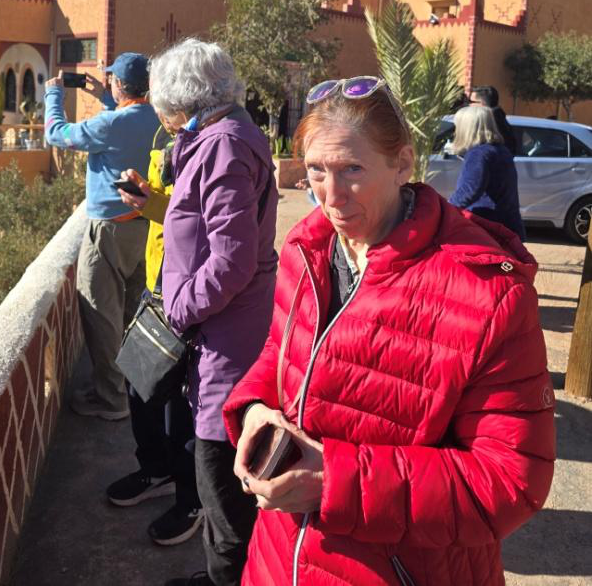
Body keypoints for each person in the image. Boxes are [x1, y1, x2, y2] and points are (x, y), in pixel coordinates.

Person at [222, 75, 554, 586]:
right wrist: (253, 409)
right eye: (315, 171)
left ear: (403, 162)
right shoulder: (306, 248)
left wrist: (333, 481)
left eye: (352, 169)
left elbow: (511, 481)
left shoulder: (489, 292)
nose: (331, 198)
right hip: (277, 559)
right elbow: (280, 352)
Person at [122, 38, 278, 586]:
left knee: (220, 481)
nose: (163, 122)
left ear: (182, 103)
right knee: (218, 480)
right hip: (221, 335)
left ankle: (227, 578)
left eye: (164, 111)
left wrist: (178, 311)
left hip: (224, 346)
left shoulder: (222, 146)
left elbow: (231, 262)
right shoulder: (223, 138)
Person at [44, 53, 157, 420]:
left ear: (120, 84)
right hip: (144, 224)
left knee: (100, 312)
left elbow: (57, 134)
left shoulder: (109, 124)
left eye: (112, 80)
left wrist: (53, 97)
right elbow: (129, 122)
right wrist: (106, 99)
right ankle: (138, 386)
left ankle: (111, 399)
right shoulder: (157, 118)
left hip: (108, 229)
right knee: (134, 311)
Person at [106, 123, 204, 547]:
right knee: (139, 384)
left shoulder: (218, 144)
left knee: (181, 405)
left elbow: (198, 218)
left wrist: (151, 204)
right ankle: (156, 468)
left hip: (188, 289)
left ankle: (191, 499)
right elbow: (167, 198)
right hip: (157, 284)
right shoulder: (166, 138)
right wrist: (145, 193)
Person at [449, 104, 526, 240]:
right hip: (508, 226)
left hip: (487, 228)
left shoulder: (478, 154)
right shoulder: (501, 150)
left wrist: (444, 209)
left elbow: (468, 191)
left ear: (466, 128)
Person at [470, 84, 517, 155]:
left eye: (472, 102)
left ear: (482, 103)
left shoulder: (492, 123)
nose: (469, 105)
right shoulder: (499, 119)